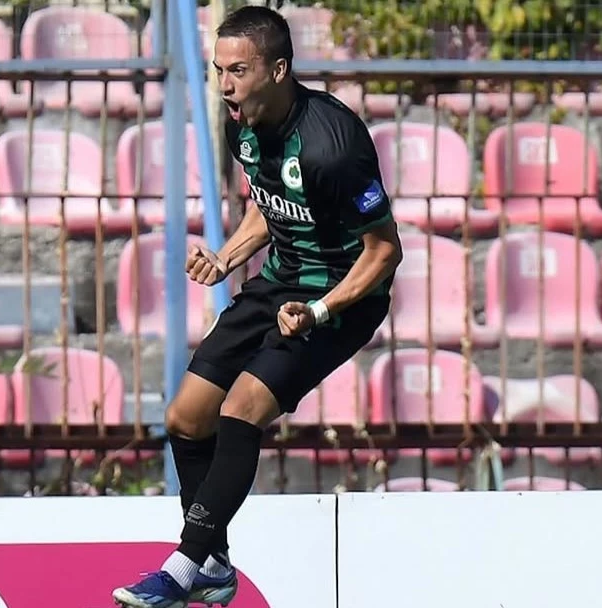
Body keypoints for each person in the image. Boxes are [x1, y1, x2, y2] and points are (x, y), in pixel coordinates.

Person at [112, 5, 403, 608]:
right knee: (186, 418)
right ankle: (215, 562)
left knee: (242, 409)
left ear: (279, 68)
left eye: (238, 71)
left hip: (342, 296)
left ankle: (185, 566)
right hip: (277, 283)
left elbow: (384, 253)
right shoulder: (239, 123)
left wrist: (320, 311)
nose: (225, 85)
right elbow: (267, 203)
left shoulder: (334, 143)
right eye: (219, 70)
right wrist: (226, 257)